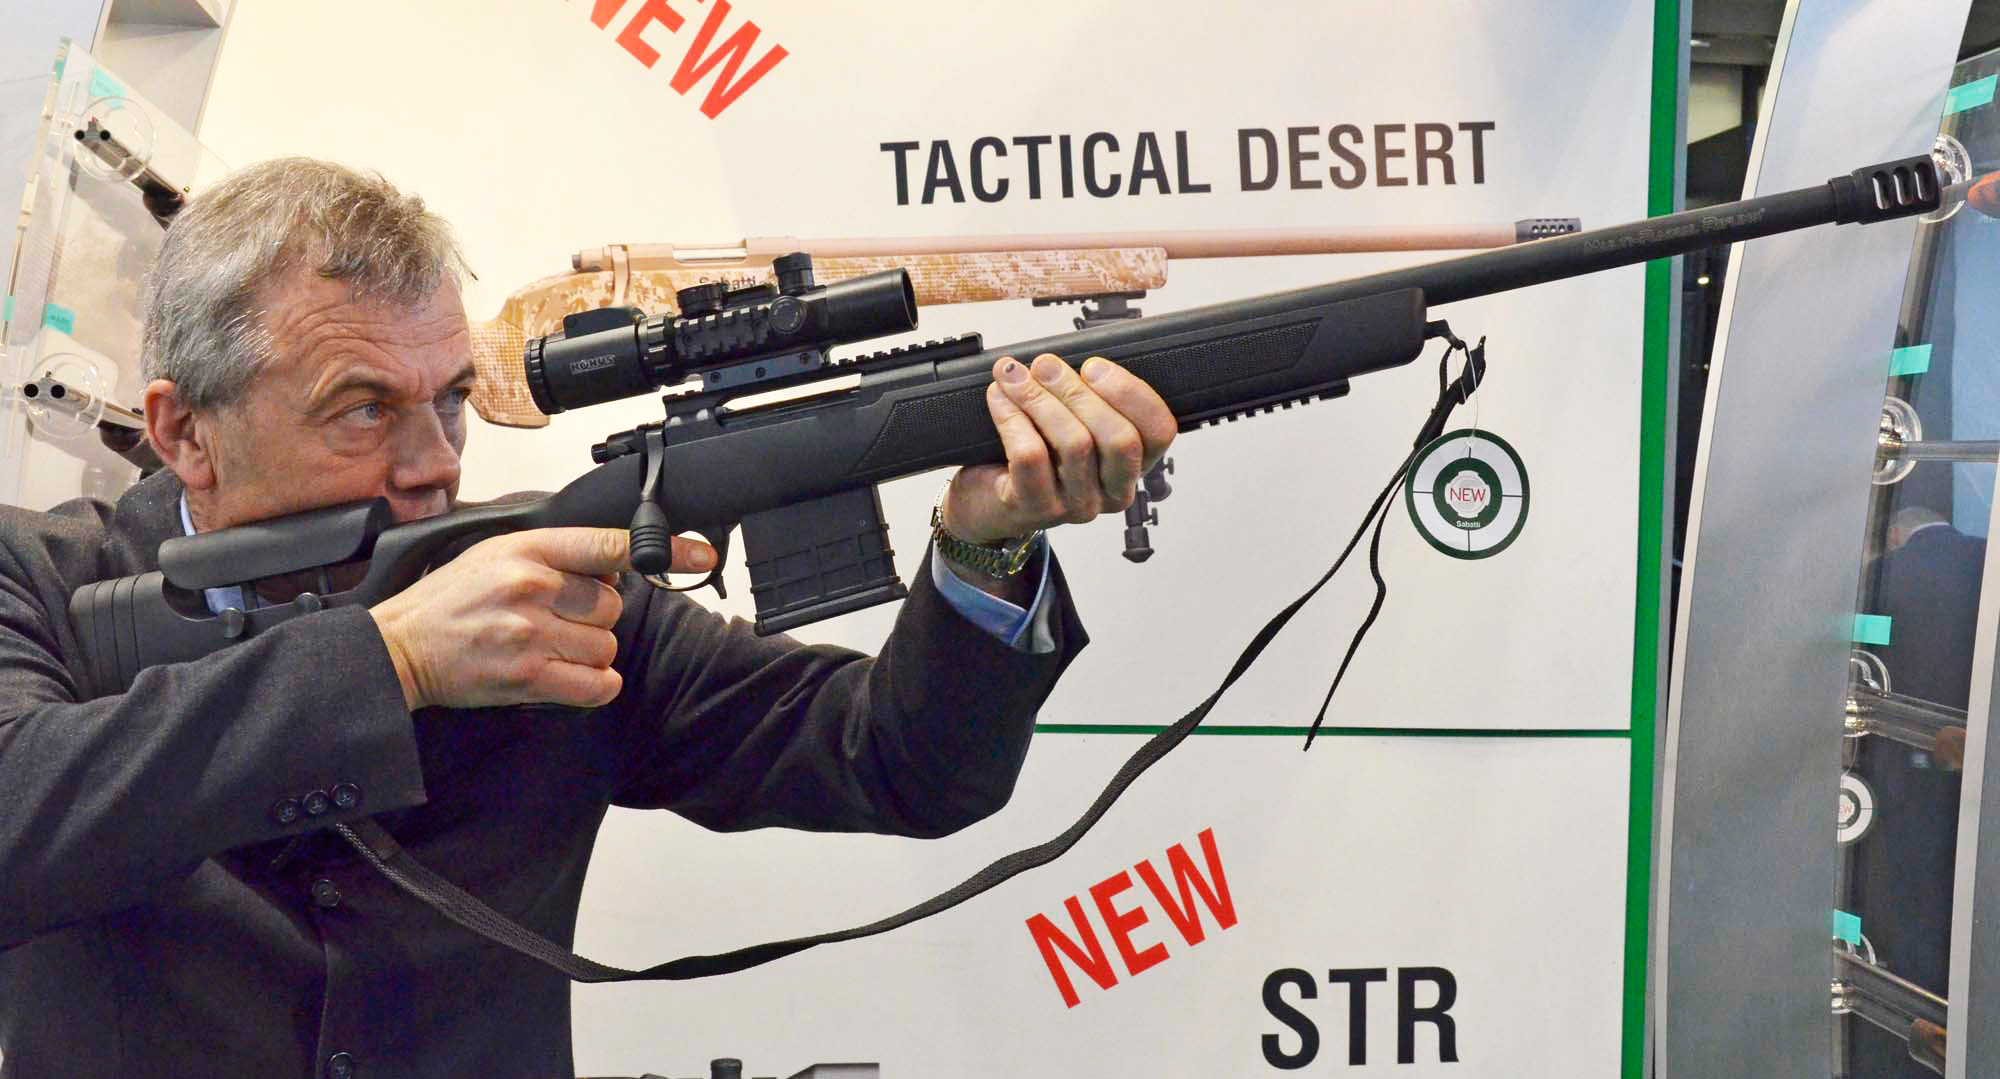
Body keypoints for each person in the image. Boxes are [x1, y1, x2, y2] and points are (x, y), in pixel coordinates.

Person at [0, 158, 1177, 1078]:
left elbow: (896, 763)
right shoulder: (40, 580)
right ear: (183, 430)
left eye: (451, 401)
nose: (432, 464)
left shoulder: (543, 588)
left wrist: (983, 541)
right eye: (361, 410)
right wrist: (392, 660)